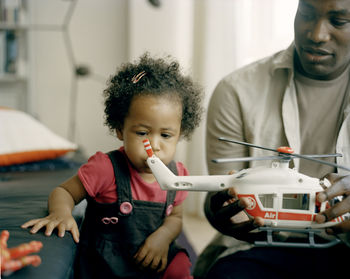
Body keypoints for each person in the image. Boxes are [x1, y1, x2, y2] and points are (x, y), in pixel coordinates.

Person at [194, 0, 350, 278]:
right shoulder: (236, 91)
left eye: (338, 21)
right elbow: (220, 193)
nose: (316, 34)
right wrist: (219, 210)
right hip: (257, 247)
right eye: (307, 14)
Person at [22, 53, 204, 279]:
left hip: (152, 260)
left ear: (179, 135)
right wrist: (61, 213)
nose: (155, 145)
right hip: (107, 264)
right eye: (142, 133)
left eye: (166, 135)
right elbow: (64, 191)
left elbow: (175, 218)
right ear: (120, 129)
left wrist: (164, 237)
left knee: (181, 266)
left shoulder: (178, 176)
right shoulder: (105, 168)